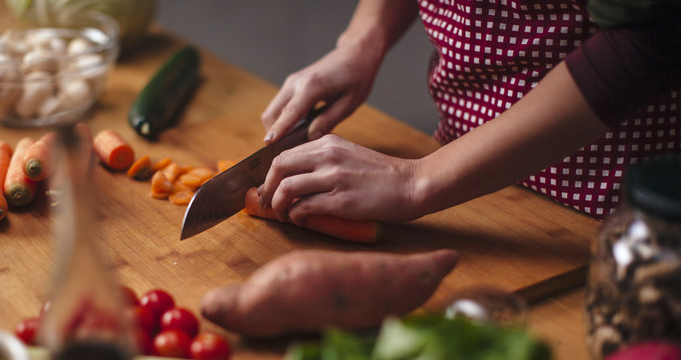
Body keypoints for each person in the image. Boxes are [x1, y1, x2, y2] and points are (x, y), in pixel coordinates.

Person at [256, 0, 681, 225]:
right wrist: (361, 41)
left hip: (603, 213)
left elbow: (647, 40)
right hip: (460, 196)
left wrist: (414, 182)